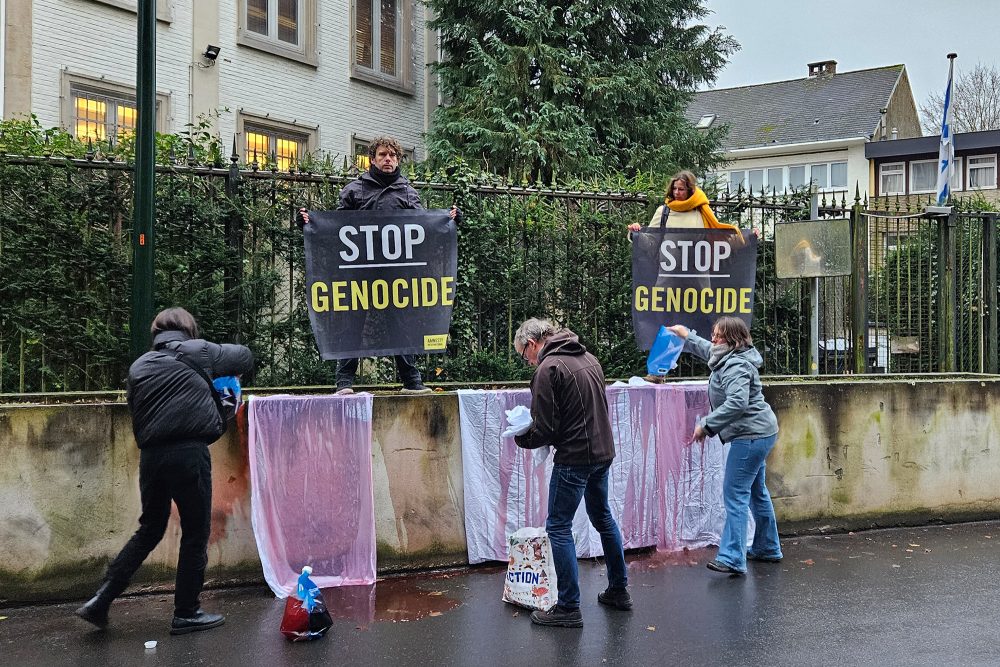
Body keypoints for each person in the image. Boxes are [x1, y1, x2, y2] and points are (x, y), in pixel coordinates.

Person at [75, 307, 254, 634]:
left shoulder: (139, 366)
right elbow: (244, 357)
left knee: (150, 529)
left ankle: (101, 599)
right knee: (196, 532)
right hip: (188, 454)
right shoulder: (198, 351)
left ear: (156, 333)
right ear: (189, 329)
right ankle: (187, 612)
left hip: (151, 458)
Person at [299, 135, 458, 396]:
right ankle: (344, 383)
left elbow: (423, 229)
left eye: (393, 155)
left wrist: (449, 222)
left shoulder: (408, 192)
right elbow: (335, 229)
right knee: (352, 322)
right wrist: (309, 224)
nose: (388, 159)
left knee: (401, 324)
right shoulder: (354, 190)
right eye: (383, 155)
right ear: (372, 159)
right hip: (360, 274)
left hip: (397, 275)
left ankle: (411, 381)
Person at [513, 318, 631, 627]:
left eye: (525, 356)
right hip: (602, 452)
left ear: (532, 344)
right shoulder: (587, 357)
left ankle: (568, 606)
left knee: (559, 526)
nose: (528, 362)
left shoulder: (547, 369)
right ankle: (619, 590)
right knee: (603, 517)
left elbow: (546, 427)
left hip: (575, 457)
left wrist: (521, 436)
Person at [666, 316, 781, 576]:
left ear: (732, 340)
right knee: (755, 491)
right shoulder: (729, 356)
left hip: (750, 436)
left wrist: (706, 425)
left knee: (735, 494)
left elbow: (737, 403)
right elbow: (707, 349)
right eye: (713, 334)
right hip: (759, 432)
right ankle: (767, 547)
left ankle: (731, 557)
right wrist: (686, 334)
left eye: (718, 335)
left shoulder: (736, 366)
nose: (713, 339)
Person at [627, 170, 739, 232]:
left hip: (698, 272)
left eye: (681, 189)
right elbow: (650, 242)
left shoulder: (703, 212)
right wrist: (636, 232)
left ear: (690, 191)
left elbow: (722, 240)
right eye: (674, 188)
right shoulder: (663, 212)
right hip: (669, 272)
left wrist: (751, 236)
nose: (676, 192)